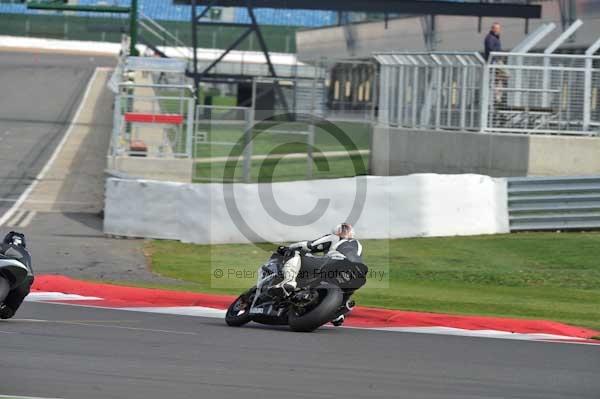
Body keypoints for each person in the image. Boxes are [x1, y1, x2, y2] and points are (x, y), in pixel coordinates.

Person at [275, 223, 363, 293]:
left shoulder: (334, 237)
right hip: (357, 273)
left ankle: (289, 281)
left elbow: (309, 246)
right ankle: (340, 310)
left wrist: (288, 248)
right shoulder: (358, 245)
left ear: (337, 232)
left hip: (335, 262)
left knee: (294, 253)